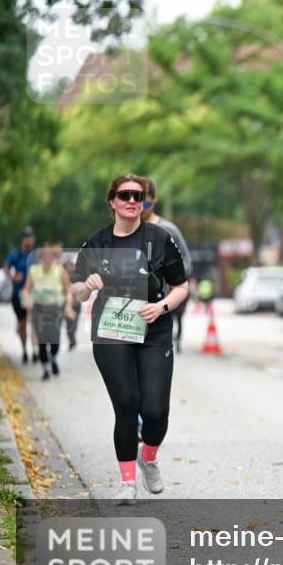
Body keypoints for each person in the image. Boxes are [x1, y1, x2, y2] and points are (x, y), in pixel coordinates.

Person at [69, 174, 189, 505]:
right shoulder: (97, 242)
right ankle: (126, 483)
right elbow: (76, 291)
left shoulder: (160, 237)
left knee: (155, 410)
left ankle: (148, 457)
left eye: (138, 196)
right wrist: (88, 284)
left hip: (154, 329)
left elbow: (181, 286)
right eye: (125, 195)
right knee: (126, 405)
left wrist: (162, 306)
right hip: (111, 331)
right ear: (112, 201)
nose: (133, 201)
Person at [141, 178, 193, 352]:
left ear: (154, 201)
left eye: (146, 204)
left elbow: (187, 261)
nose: (141, 208)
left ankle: (176, 341)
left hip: (163, 304)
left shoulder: (168, 230)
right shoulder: (127, 230)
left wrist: (170, 275)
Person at [23, 244, 71, 380]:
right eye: (45, 256)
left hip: (55, 309)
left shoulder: (60, 271)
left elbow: (68, 290)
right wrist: (27, 299)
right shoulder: (34, 271)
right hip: (39, 308)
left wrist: (68, 306)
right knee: (42, 340)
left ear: (54, 257)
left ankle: (53, 358)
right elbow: (26, 289)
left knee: (54, 341)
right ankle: (45, 368)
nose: (48, 259)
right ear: (41, 258)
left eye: (50, 256)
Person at [4, 227, 37, 363]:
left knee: (34, 323)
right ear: (24, 239)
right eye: (27, 237)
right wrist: (12, 278)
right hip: (19, 293)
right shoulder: (16, 254)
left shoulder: (36, 253)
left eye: (31, 237)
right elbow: (6, 267)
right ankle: (24, 351)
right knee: (22, 324)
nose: (30, 239)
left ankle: (35, 352)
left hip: (34, 294)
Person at [61, 259, 81, 350]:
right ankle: (71, 340)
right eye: (68, 266)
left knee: (75, 324)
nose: (70, 268)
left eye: (71, 266)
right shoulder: (62, 277)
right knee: (69, 325)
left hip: (76, 304)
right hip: (66, 305)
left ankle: (73, 339)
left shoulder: (76, 276)